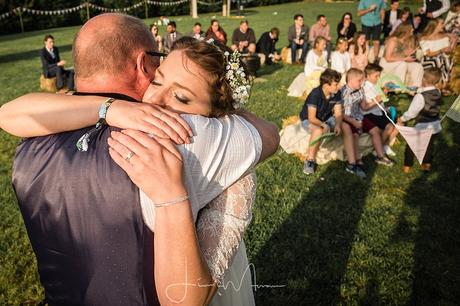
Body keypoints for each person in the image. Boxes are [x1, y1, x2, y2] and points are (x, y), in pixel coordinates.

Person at [1, 15, 280, 306]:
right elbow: (269, 135)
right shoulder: (192, 136)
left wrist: (107, 109)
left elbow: (8, 114)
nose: (156, 101)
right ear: (143, 64)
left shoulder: (37, 136)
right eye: (157, 77)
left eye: (182, 98)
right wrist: (112, 109)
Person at [342, 68, 394, 172]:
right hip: (348, 118)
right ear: (351, 80)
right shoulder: (345, 93)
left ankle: (380, 156)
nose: (362, 83)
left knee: (375, 130)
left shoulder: (360, 90)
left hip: (359, 116)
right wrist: (354, 122)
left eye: (363, 80)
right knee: (355, 135)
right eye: (360, 81)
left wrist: (376, 100)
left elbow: (364, 107)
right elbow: (341, 113)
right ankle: (357, 160)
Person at [299, 69, 343, 174]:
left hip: (326, 118)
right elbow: (311, 118)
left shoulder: (337, 93)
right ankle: (310, 160)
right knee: (318, 131)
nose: (339, 87)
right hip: (308, 120)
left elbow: (338, 113)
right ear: (325, 85)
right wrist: (323, 125)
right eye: (336, 84)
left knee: (342, 124)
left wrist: (338, 125)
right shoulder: (315, 94)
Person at [398, 67, 443, 173]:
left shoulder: (420, 96)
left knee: (411, 145)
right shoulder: (438, 91)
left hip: (422, 126)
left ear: (423, 80)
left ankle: (407, 166)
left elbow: (412, 112)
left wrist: (402, 118)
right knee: (429, 146)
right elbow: (428, 93)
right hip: (435, 126)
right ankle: (426, 164)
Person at [361, 63, 398, 159]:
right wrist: (378, 99)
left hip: (379, 112)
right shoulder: (365, 88)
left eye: (379, 76)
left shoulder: (374, 85)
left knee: (399, 124)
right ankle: (377, 150)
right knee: (389, 127)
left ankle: (385, 145)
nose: (378, 78)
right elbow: (365, 107)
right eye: (376, 76)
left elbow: (380, 99)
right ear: (368, 75)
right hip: (370, 114)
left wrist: (384, 92)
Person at [380, 23, 424, 88]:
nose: (413, 29)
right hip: (386, 64)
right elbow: (387, 58)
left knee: (418, 66)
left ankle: (416, 87)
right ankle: (397, 88)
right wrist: (405, 59)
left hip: (398, 62)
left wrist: (410, 53)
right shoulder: (393, 40)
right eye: (411, 28)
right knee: (403, 64)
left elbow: (402, 54)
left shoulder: (405, 40)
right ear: (405, 30)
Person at [419, 18, 455, 92]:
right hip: (428, 59)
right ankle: (441, 85)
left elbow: (450, 51)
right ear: (435, 26)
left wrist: (453, 42)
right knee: (439, 60)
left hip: (443, 58)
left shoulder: (445, 36)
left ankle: (444, 84)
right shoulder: (424, 38)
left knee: (447, 59)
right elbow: (428, 54)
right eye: (441, 24)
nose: (443, 25)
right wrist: (441, 50)